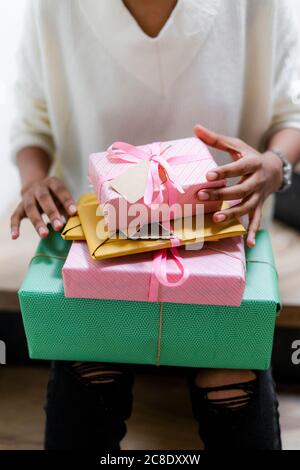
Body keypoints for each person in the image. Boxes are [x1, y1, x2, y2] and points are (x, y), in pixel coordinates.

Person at [10, 0, 300, 450]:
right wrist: (32, 182)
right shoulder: (55, 8)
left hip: (221, 237)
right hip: (104, 251)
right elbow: (32, 124)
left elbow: (291, 114)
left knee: (231, 378)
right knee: (87, 372)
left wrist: (274, 164)